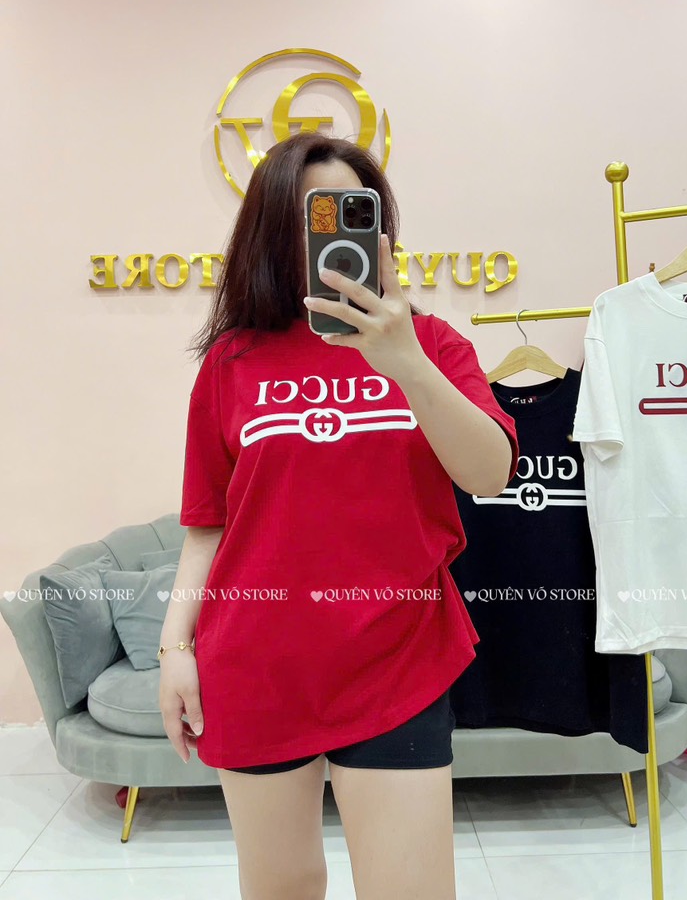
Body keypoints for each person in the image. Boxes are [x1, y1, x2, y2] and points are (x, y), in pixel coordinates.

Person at [158, 133, 519, 900]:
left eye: (349, 211)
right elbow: (208, 526)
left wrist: (404, 360)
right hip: (254, 662)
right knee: (281, 887)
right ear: (270, 231)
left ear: (378, 228)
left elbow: (489, 474)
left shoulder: (432, 344)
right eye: (308, 215)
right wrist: (174, 649)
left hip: (398, 659)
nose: (328, 233)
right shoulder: (232, 361)